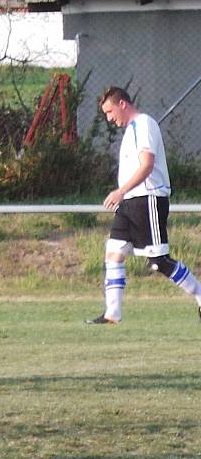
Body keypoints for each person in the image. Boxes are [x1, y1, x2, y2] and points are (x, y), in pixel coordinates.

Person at [86, 86, 201, 324]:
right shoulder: (130, 130)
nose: (109, 118)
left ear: (123, 104)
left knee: (158, 262)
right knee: (114, 252)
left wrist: (121, 191)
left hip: (147, 199)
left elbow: (147, 165)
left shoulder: (144, 125)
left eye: (109, 111)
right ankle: (112, 315)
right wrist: (124, 196)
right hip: (130, 203)